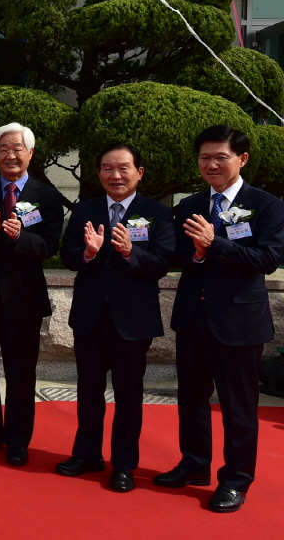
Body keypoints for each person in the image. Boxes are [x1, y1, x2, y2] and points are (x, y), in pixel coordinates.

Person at [153, 125, 284, 513]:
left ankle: (236, 480)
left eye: (220, 157)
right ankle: (194, 465)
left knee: (237, 406)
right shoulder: (190, 204)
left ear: (241, 159)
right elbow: (175, 256)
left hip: (239, 321)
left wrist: (216, 244)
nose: (211, 164)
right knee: (191, 399)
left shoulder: (267, 205)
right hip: (194, 316)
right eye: (204, 157)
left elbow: (267, 259)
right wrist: (194, 254)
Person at [58, 142, 172, 492]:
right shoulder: (85, 210)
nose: (115, 175)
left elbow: (162, 264)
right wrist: (89, 254)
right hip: (91, 316)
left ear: (139, 173)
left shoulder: (156, 213)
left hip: (132, 320)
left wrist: (130, 252)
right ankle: (87, 453)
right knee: (88, 390)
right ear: (99, 173)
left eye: (123, 168)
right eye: (108, 168)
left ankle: (123, 464)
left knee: (128, 394)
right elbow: (67, 256)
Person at [0, 122, 64, 466]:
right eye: (3, 149)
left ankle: (18, 440)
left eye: (17, 149)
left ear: (30, 153)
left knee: (21, 372)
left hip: (24, 296)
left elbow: (49, 245)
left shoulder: (47, 196)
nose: (10, 155)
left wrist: (21, 236)